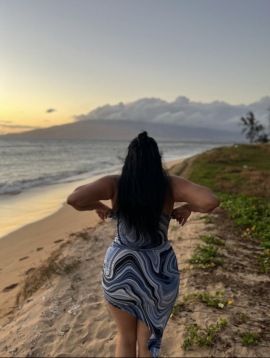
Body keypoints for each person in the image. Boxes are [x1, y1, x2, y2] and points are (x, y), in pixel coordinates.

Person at [67, 131, 219, 358]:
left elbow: (75, 199)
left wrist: (98, 205)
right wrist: (187, 207)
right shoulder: (169, 185)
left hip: (119, 271)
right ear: (157, 160)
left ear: (128, 160)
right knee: (147, 343)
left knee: (125, 339)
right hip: (158, 272)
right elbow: (210, 201)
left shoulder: (115, 184)